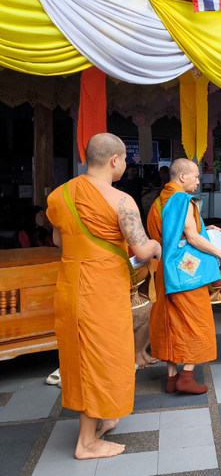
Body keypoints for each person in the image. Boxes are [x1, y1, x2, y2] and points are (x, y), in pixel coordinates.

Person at [46, 133, 161, 460]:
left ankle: (104, 416)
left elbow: (59, 241)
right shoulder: (121, 201)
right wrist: (154, 246)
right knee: (102, 356)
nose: (124, 165)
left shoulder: (60, 195)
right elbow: (140, 249)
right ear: (115, 160)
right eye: (125, 160)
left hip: (71, 286)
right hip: (102, 289)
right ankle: (87, 442)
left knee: (83, 354)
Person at [147, 159, 221, 395]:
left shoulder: (158, 201)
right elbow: (192, 238)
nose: (198, 181)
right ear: (182, 176)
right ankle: (187, 376)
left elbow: (172, 234)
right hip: (186, 274)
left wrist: (207, 230)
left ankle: (172, 378)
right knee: (197, 321)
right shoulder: (183, 200)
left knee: (171, 322)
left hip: (165, 272)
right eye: (196, 176)